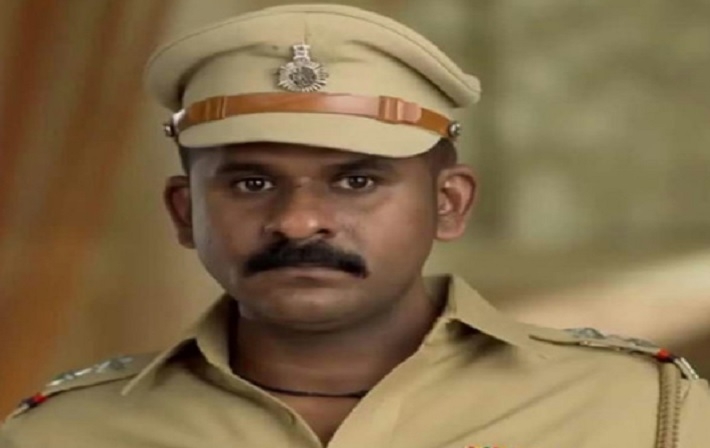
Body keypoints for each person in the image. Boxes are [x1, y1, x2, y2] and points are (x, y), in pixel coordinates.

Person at [1, 4, 708, 448]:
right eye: (251, 183)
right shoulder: (63, 435)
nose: (298, 221)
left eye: (357, 181)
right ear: (185, 212)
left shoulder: (645, 414)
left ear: (449, 203)